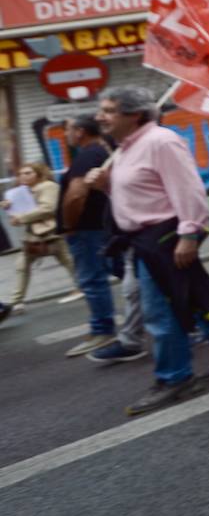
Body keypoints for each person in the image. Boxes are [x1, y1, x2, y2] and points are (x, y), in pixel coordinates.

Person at [85, 87, 209, 416]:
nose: (99, 117)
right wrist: (105, 185)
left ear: (134, 115)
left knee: (159, 312)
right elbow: (139, 193)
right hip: (143, 240)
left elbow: (189, 190)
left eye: (108, 110)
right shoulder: (124, 149)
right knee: (191, 297)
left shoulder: (160, 142)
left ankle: (174, 377)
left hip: (163, 237)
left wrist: (189, 234)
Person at [57, 116, 119, 357]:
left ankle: (103, 331)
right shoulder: (100, 151)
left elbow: (75, 195)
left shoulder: (87, 155)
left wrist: (70, 225)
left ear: (80, 131)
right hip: (99, 227)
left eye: (67, 129)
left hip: (87, 231)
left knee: (92, 280)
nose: (65, 134)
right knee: (123, 273)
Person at [7, 162, 79, 311]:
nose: (23, 176)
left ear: (38, 173)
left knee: (68, 261)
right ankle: (16, 301)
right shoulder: (23, 191)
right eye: (21, 174)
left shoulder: (48, 186)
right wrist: (10, 206)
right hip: (33, 237)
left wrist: (20, 218)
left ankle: (83, 286)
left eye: (28, 173)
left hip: (50, 234)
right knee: (22, 266)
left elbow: (47, 209)